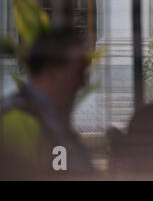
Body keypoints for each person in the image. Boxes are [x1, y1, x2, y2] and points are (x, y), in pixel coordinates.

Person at [0, 29, 95, 179]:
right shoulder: (18, 122)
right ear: (51, 71)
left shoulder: (49, 121)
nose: (83, 84)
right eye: (79, 73)